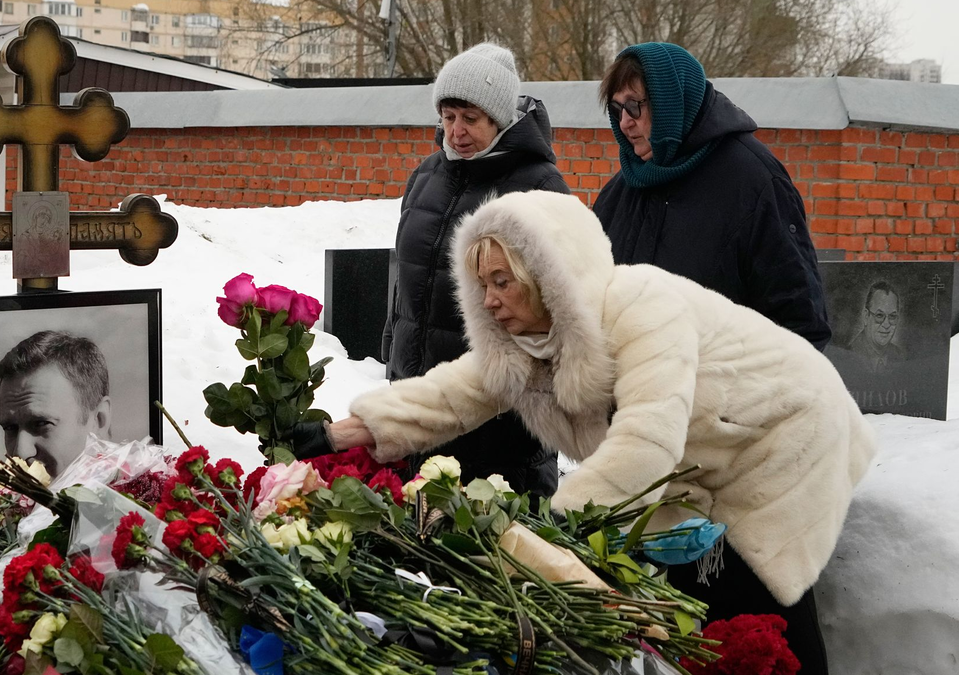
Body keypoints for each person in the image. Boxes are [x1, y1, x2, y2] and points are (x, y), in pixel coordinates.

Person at [330, 191, 875, 674]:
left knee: (757, 607)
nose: (490, 299)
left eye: (503, 281)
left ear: (546, 277)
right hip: (699, 457)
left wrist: (556, 530)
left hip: (782, 432)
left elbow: (648, 440)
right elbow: (450, 395)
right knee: (679, 605)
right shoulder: (527, 341)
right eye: (482, 285)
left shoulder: (642, 308)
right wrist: (342, 435)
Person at [378, 42, 571, 500]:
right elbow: (406, 275)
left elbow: (563, 306)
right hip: (420, 402)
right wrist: (392, 356)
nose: (456, 131)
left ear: (499, 120)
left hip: (500, 419)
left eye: (471, 118)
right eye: (448, 116)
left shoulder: (539, 187)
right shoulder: (426, 175)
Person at [592, 42, 832, 351]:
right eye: (617, 108)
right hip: (631, 395)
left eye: (635, 105)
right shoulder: (620, 191)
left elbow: (800, 325)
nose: (625, 122)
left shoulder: (754, 183)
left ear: (672, 100)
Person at [0, 330, 112, 477]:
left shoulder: (142, 496)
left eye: (41, 424)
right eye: (10, 428)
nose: (20, 453)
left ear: (99, 420)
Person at [846, 280, 906, 373]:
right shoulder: (848, 356)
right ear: (866, 316)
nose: (886, 324)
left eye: (892, 316)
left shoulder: (900, 357)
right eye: (879, 315)